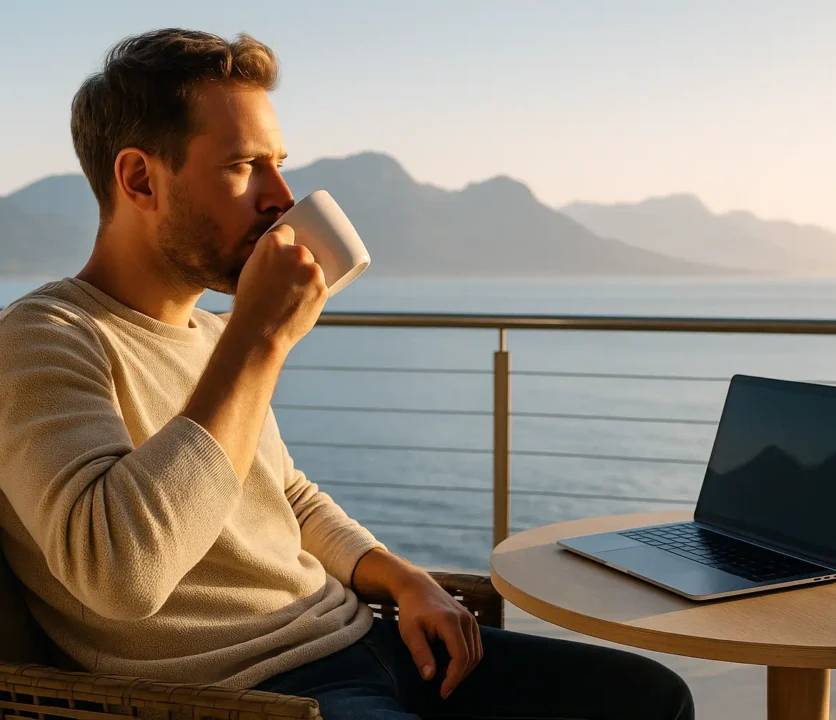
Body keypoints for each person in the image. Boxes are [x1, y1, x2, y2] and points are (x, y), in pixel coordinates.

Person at [0, 29, 693, 720]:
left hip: (366, 639)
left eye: (279, 164)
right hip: (258, 694)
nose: (281, 197)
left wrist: (403, 577)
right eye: (245, 166)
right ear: (140, 179)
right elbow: (120, 574)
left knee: (650, 699)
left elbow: (286, 500)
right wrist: (261, 340)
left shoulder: (213, 335)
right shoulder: (43, 340)